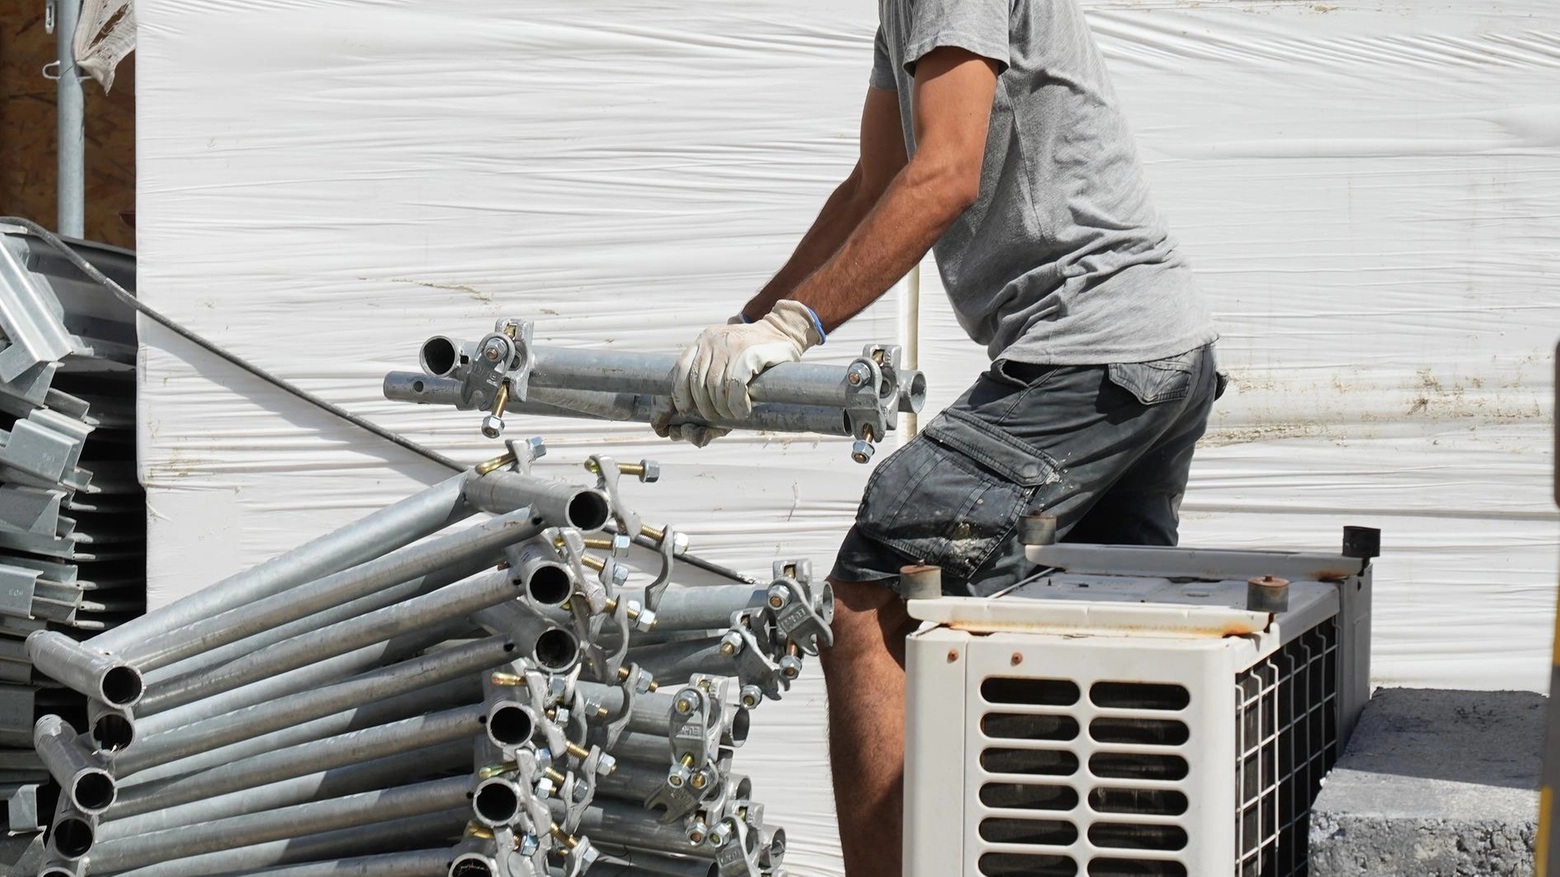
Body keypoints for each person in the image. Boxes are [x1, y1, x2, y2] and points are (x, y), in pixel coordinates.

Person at [659, 1, 1222, 874]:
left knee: (876, 600)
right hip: (1150, 352)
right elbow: (874, 182)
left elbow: (946, 173)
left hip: (1091, 348)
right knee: (1099, 654)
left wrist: (799, 324)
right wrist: (741, 338)